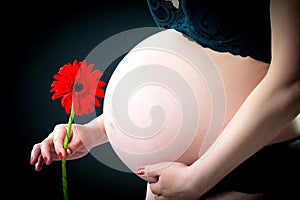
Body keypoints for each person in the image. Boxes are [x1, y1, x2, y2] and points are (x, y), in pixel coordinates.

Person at [30, 0, 300, 199]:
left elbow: (291, 83)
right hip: (179, 173)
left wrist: (198, 179)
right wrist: (98, 131)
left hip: (257, 153)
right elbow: (199, 67)